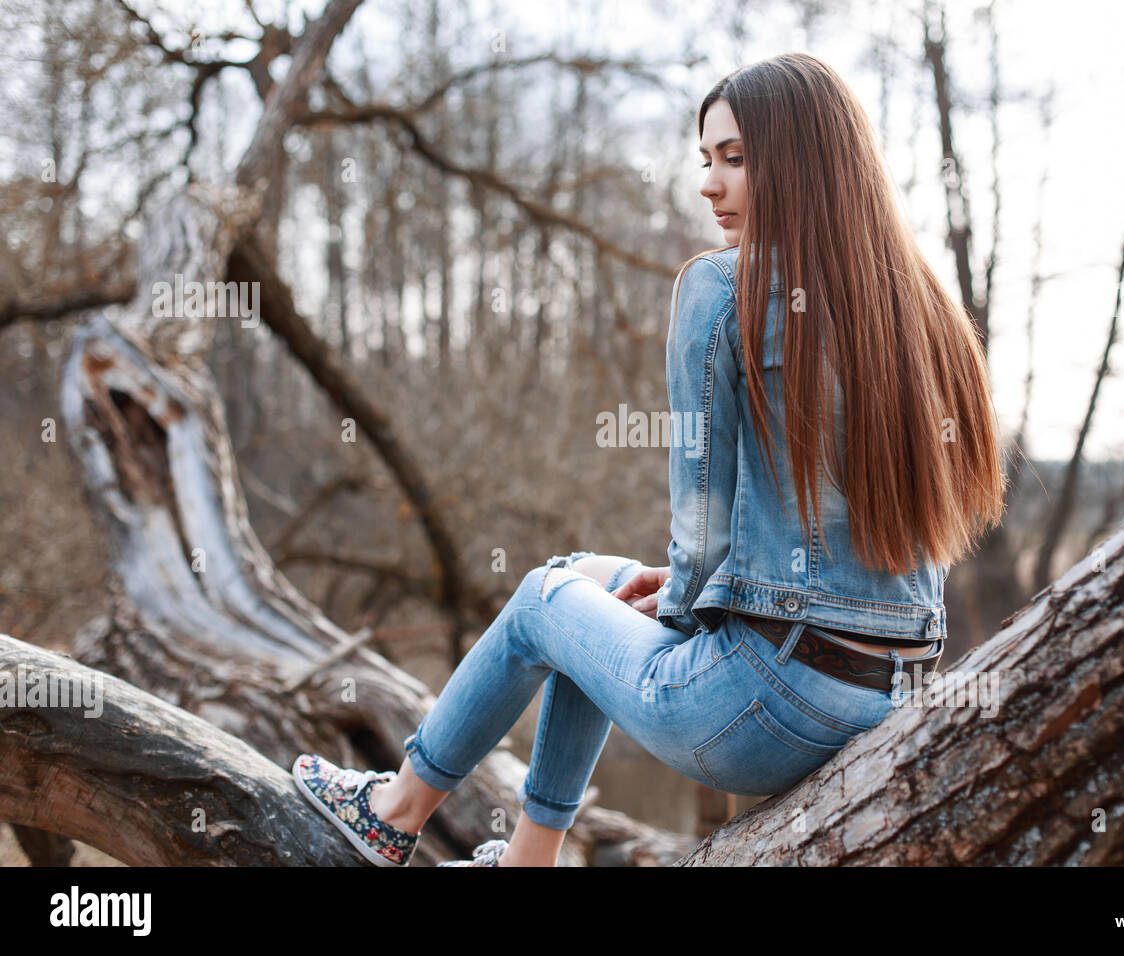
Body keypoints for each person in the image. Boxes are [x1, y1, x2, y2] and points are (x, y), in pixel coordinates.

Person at [291, 51, 1006, 867]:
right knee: (594, 579)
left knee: (540, 602)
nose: (709, 184)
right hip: (881, 701)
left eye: (735, 159)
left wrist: (683, 615)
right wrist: (694, 595)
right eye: (706, 161)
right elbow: (869, 549)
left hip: (763, 715)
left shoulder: (725, 287)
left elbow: (700, 522)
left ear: (809, 158)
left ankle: (392, 813)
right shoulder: (923, 310)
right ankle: (530, 858)